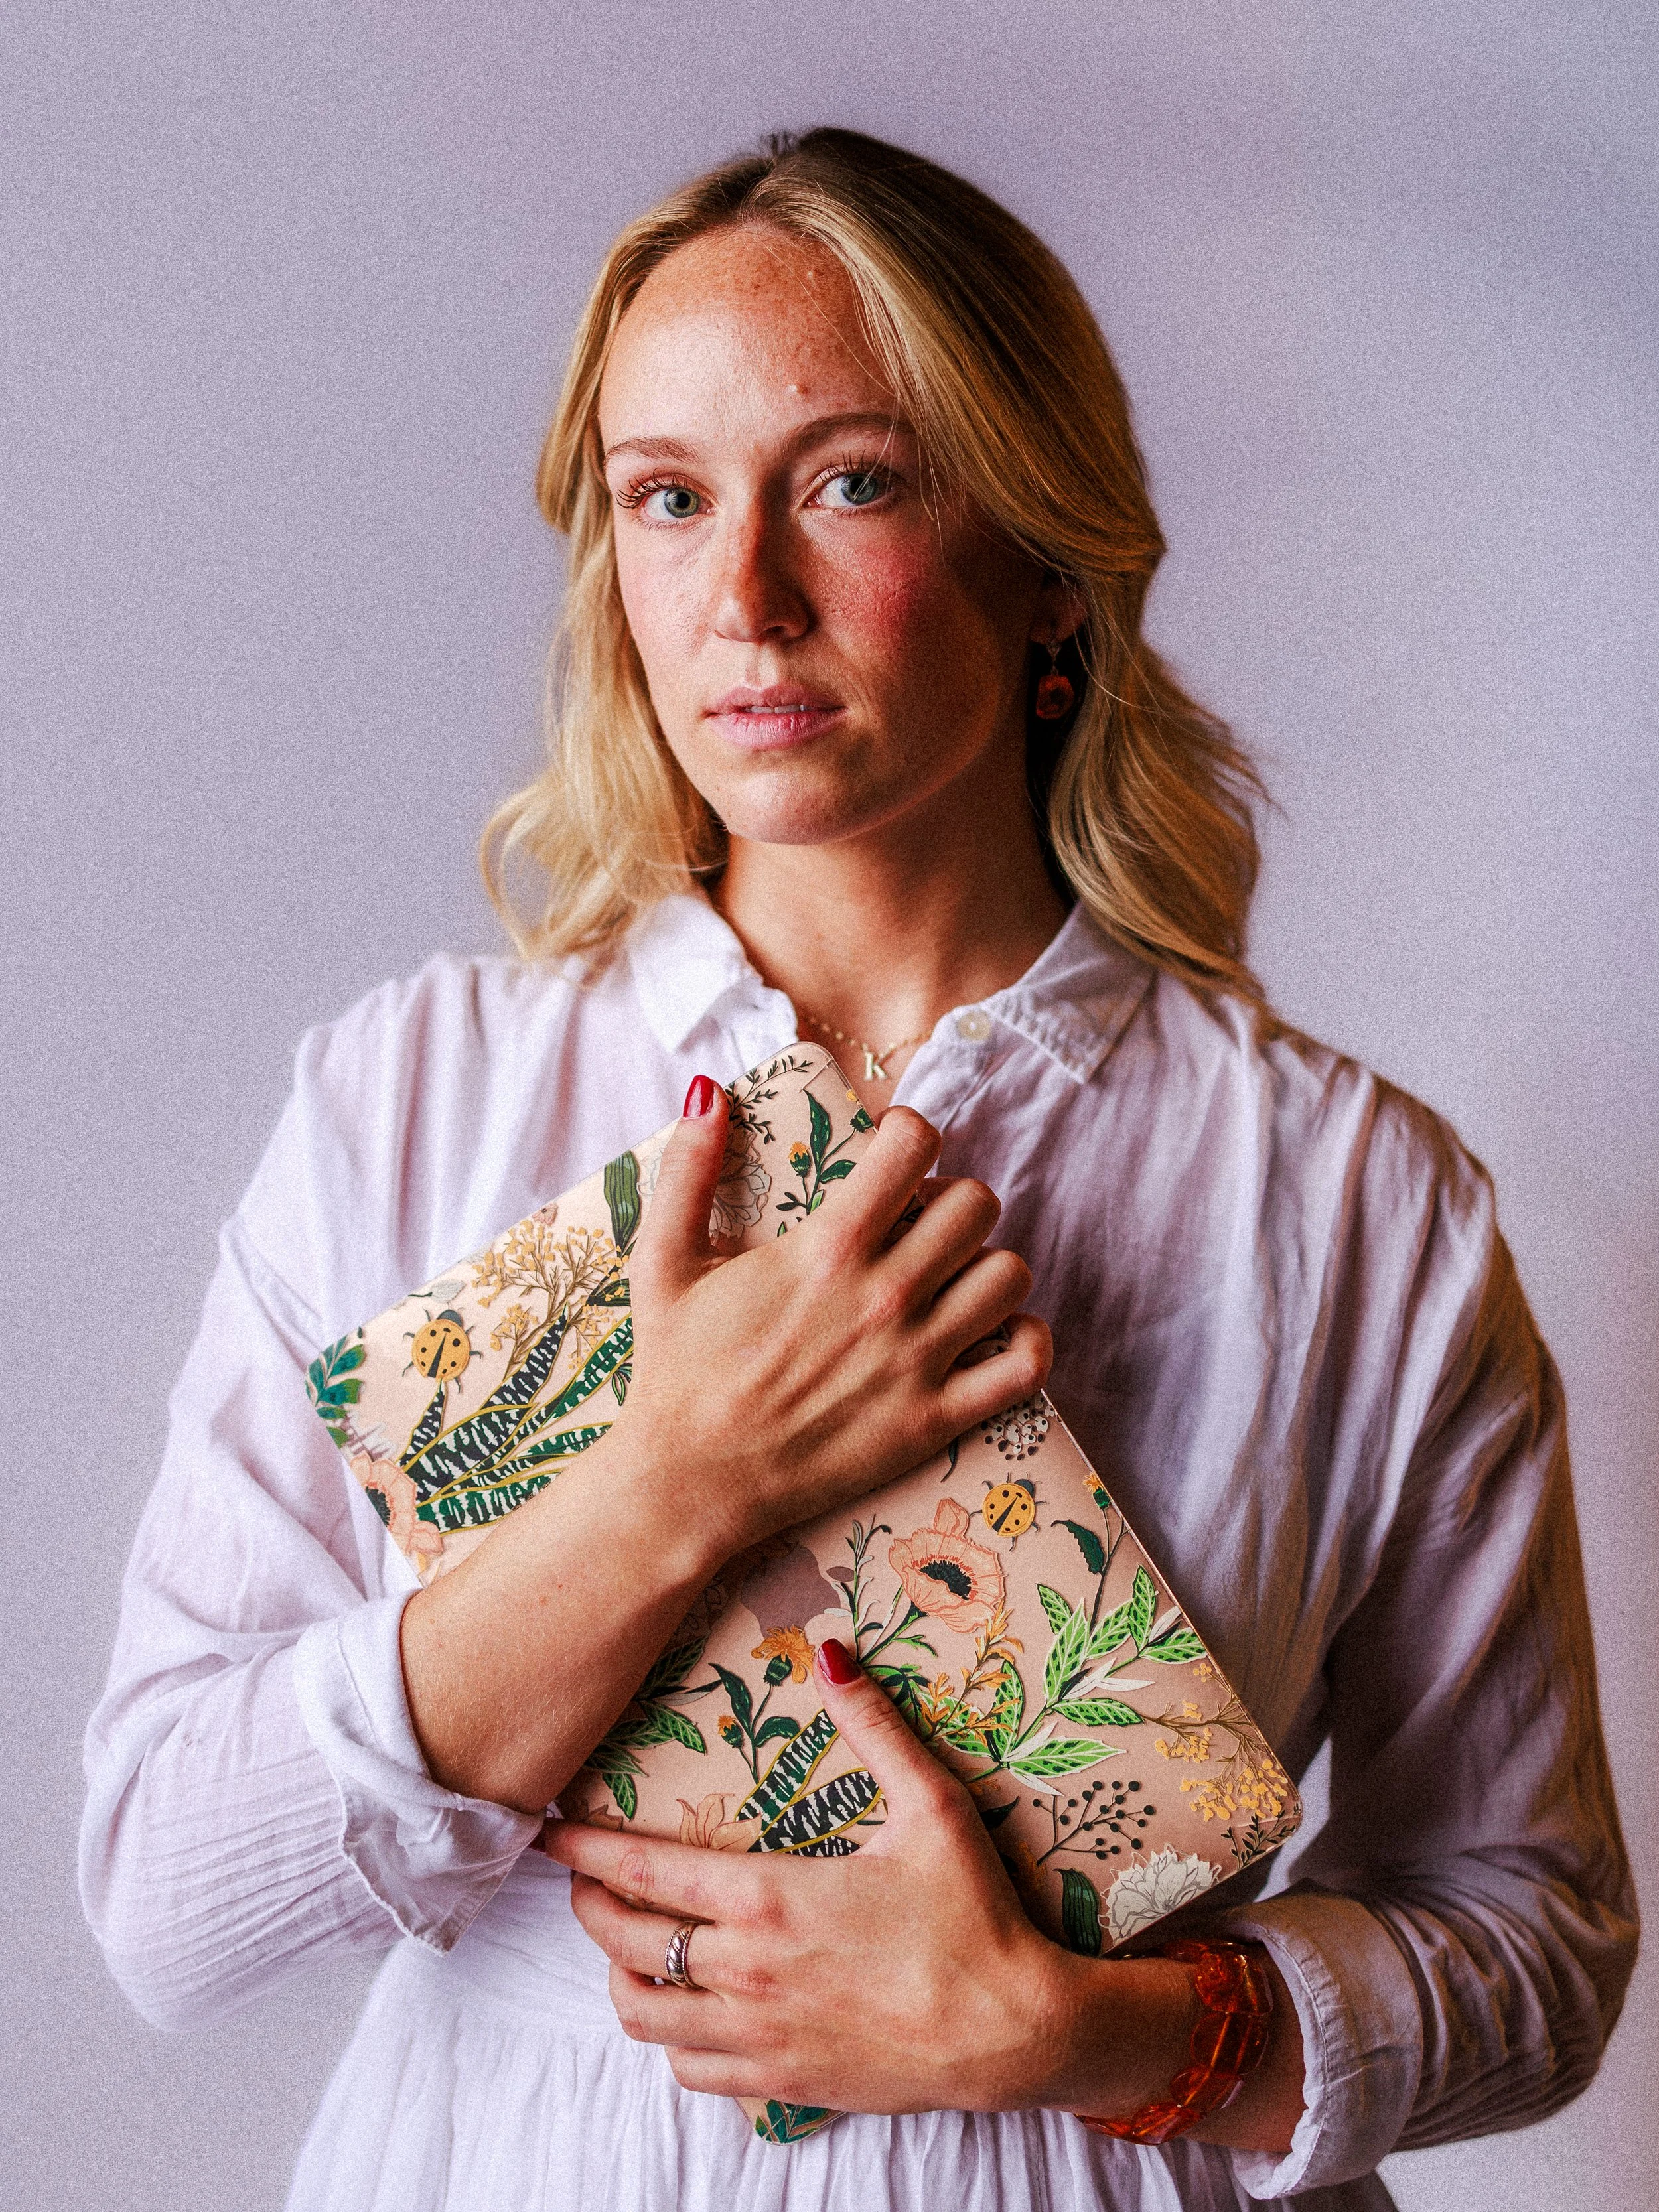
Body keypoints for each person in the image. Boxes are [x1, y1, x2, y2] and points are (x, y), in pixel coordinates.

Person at [81, 128, 1636, 2212]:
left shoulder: (1355, 1203)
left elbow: (1534, 1939)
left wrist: (1096, 2035)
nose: (741, 599)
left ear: (1046, 552)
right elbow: (168, 1894)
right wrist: (676, 1477)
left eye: (850, 481)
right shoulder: (407, 1099)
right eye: (666, 497)